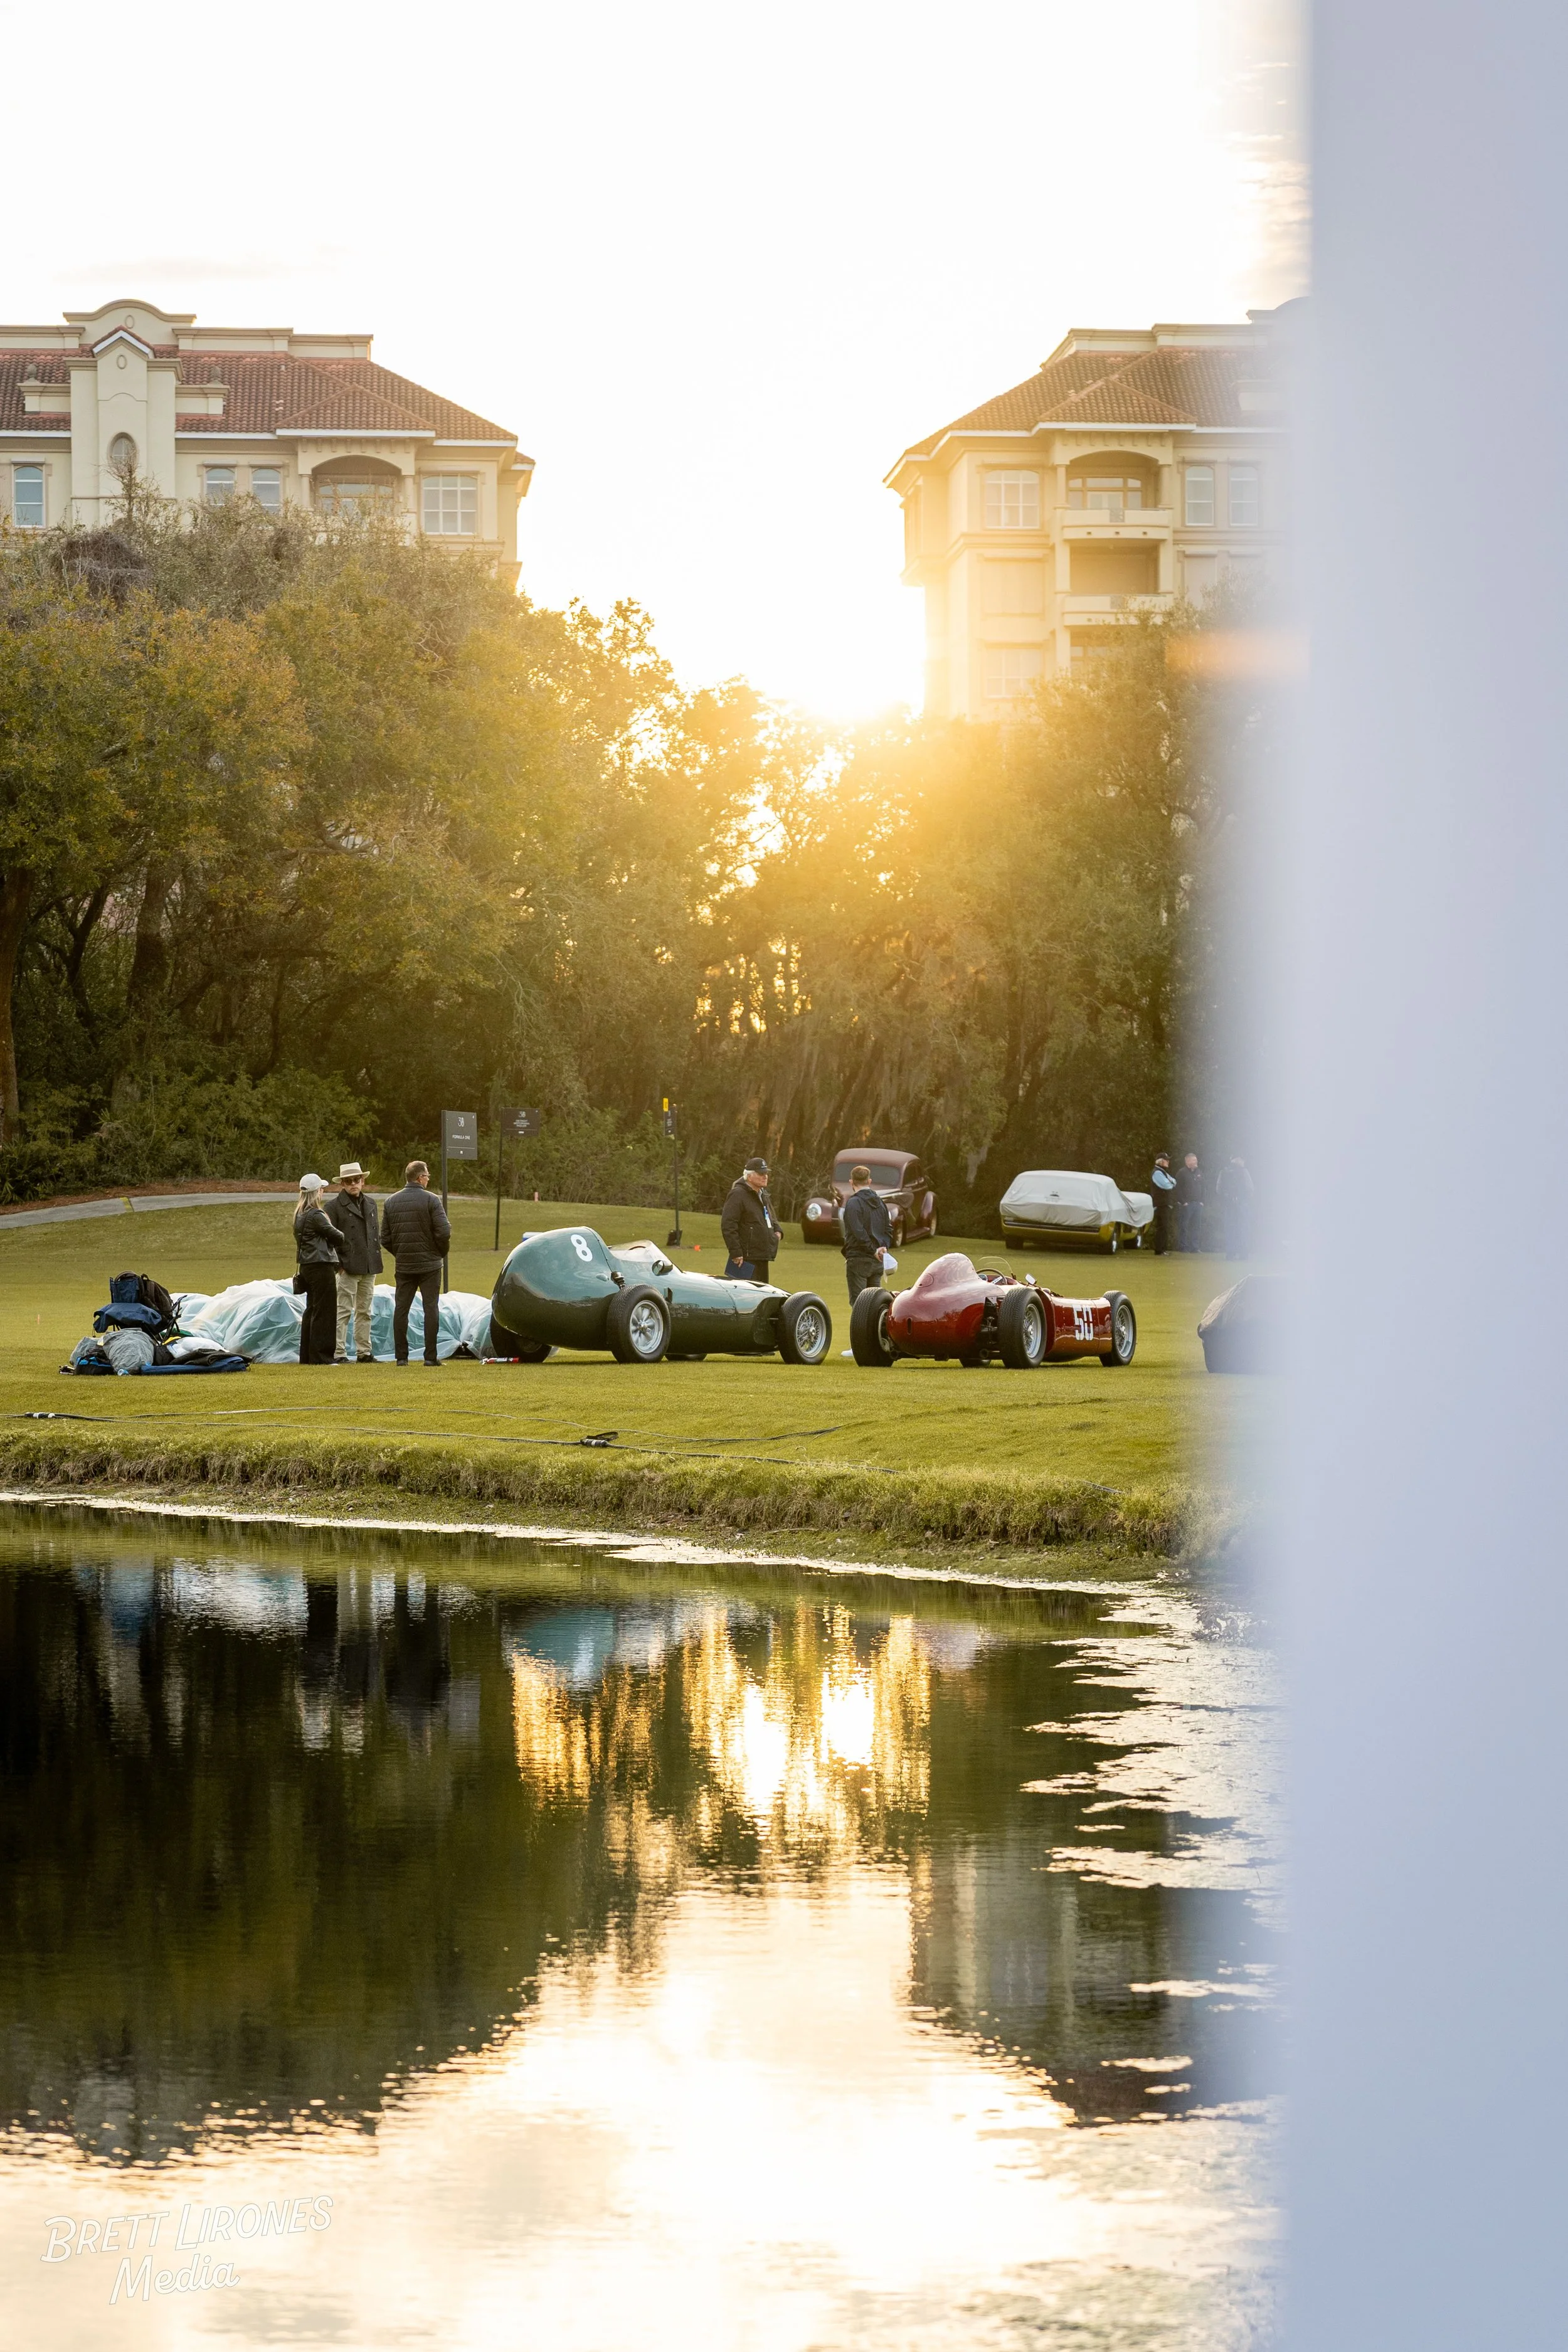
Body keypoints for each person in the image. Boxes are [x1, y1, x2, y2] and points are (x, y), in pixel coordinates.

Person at [380, 1160, 452, 1365]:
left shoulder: (391, 1202)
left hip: (404, 1265)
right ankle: (430, 1357)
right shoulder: (431, 1200)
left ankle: (401, 1357)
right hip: (430, 1265)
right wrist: (439, 1252)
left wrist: (401, 1253)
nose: (429, 1179)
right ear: (420, 1178)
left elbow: (385, 1238)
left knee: (401, 1309)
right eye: (427, 1176)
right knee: (431, 1308)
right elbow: (444, 1231)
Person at [327, 1161, 383, 1364]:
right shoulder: (333, 1207)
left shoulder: (371, 1203)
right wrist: (339, 1266)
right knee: (343, 1311)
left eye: (357, 1180)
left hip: (369, 1266)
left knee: (365, 1311)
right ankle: (339, 1352)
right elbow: (329, 1241)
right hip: (347, 1268)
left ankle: (364, 1352)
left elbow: (373, 1234)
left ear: (363, 1181)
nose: (353, 1184)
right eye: (349, 1181)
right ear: (342, 1183)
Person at [293, 1176, 342, 1364]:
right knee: (326, 1311)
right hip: (321, 1265)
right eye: (322, 1189)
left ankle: (307, 1355)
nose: (323, 1192)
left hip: (307, 1266)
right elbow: (338, 1237)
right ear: (317, 1192)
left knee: (312, 1309)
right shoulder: (316, 1214)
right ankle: (322, 1356)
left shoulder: (299, 1213)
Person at [840, 1165, 893, 1305]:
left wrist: (872, 1250)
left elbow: (858, 1232)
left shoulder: (853, 1203)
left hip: (859, 1258)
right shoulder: (881, 1203)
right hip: (877, 1261)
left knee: (859, 1305)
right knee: (874, 1305)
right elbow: (888, 1229)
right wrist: (883, 1247)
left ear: (852, 1182)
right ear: (869, 1181)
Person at [720, 1157, 780, 1279]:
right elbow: (728, 1224)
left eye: (766, 1173)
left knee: (763, 1295)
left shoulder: (762, 1194)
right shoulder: (737, 1194)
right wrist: (736, 1252)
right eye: (761, 1173)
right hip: (745, 1259)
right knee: (744, 1295)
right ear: (749, 1176)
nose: (765, 1176)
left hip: (762, 1255)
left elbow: (769, 1215)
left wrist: (778, 1230)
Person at [1217, 1155, 1256, 1261]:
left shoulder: (1224, 1172)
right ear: (1239, 1160)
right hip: (1242, 1205)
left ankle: (1230, 1254)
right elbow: (1250, 1188)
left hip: (1229, 1205)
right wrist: (1245, 1200)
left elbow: (1219, 1189)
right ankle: (1244, 1254)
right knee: (1243, 1229)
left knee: (1230, 1230)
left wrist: (1226, 1198)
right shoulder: (1244, 1172)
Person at [1174, 1152, 1206, 1253]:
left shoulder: (1199, 1172)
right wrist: (1183, 1202)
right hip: (1187, 1204)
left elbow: (1204, 1187)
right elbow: (1178, 1189)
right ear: (1188, 1161)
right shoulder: (1181, 1173)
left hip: (1198, 1204)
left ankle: (1195, 1247)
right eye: (1194, 1160)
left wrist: (1202, 1201)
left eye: (1196, 1160)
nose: (1196, 1162)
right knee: (1184, 1226)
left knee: (1197, 1226)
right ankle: (1183, 1247)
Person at [1150, 1153, 1177, 1255]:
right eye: (1166, 1160)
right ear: (1160, 1161)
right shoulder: (1157, 1173)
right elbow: (1167, 1185)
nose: (1168, 1162)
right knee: (1162, 1227)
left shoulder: (1163, 1172)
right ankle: (1159, 1249)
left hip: (1164, 1203)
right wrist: (1171, 1183)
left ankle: (1162, 1249)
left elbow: (1174, 1181)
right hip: (1161, 1203)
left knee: (1164, 1227)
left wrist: (1171, 1182)